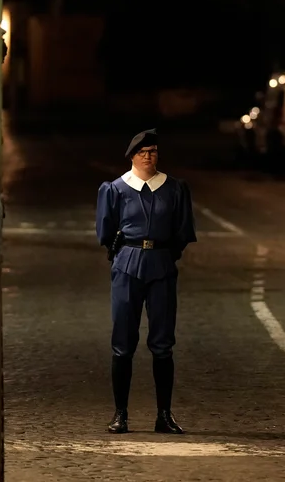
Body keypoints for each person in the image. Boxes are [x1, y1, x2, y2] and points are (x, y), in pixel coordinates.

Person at [95, 129, 197, 434]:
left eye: (153, 151)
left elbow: (182, 231)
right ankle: (120, 414)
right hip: (127, 265)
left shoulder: (175, 188)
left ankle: (163, 415)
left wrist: (164, 254)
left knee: (163, 343)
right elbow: (105, 231)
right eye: (143, 152)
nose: (148, 156)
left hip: (162, 265)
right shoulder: (115, 189)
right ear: (132, 156)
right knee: (123, 342)